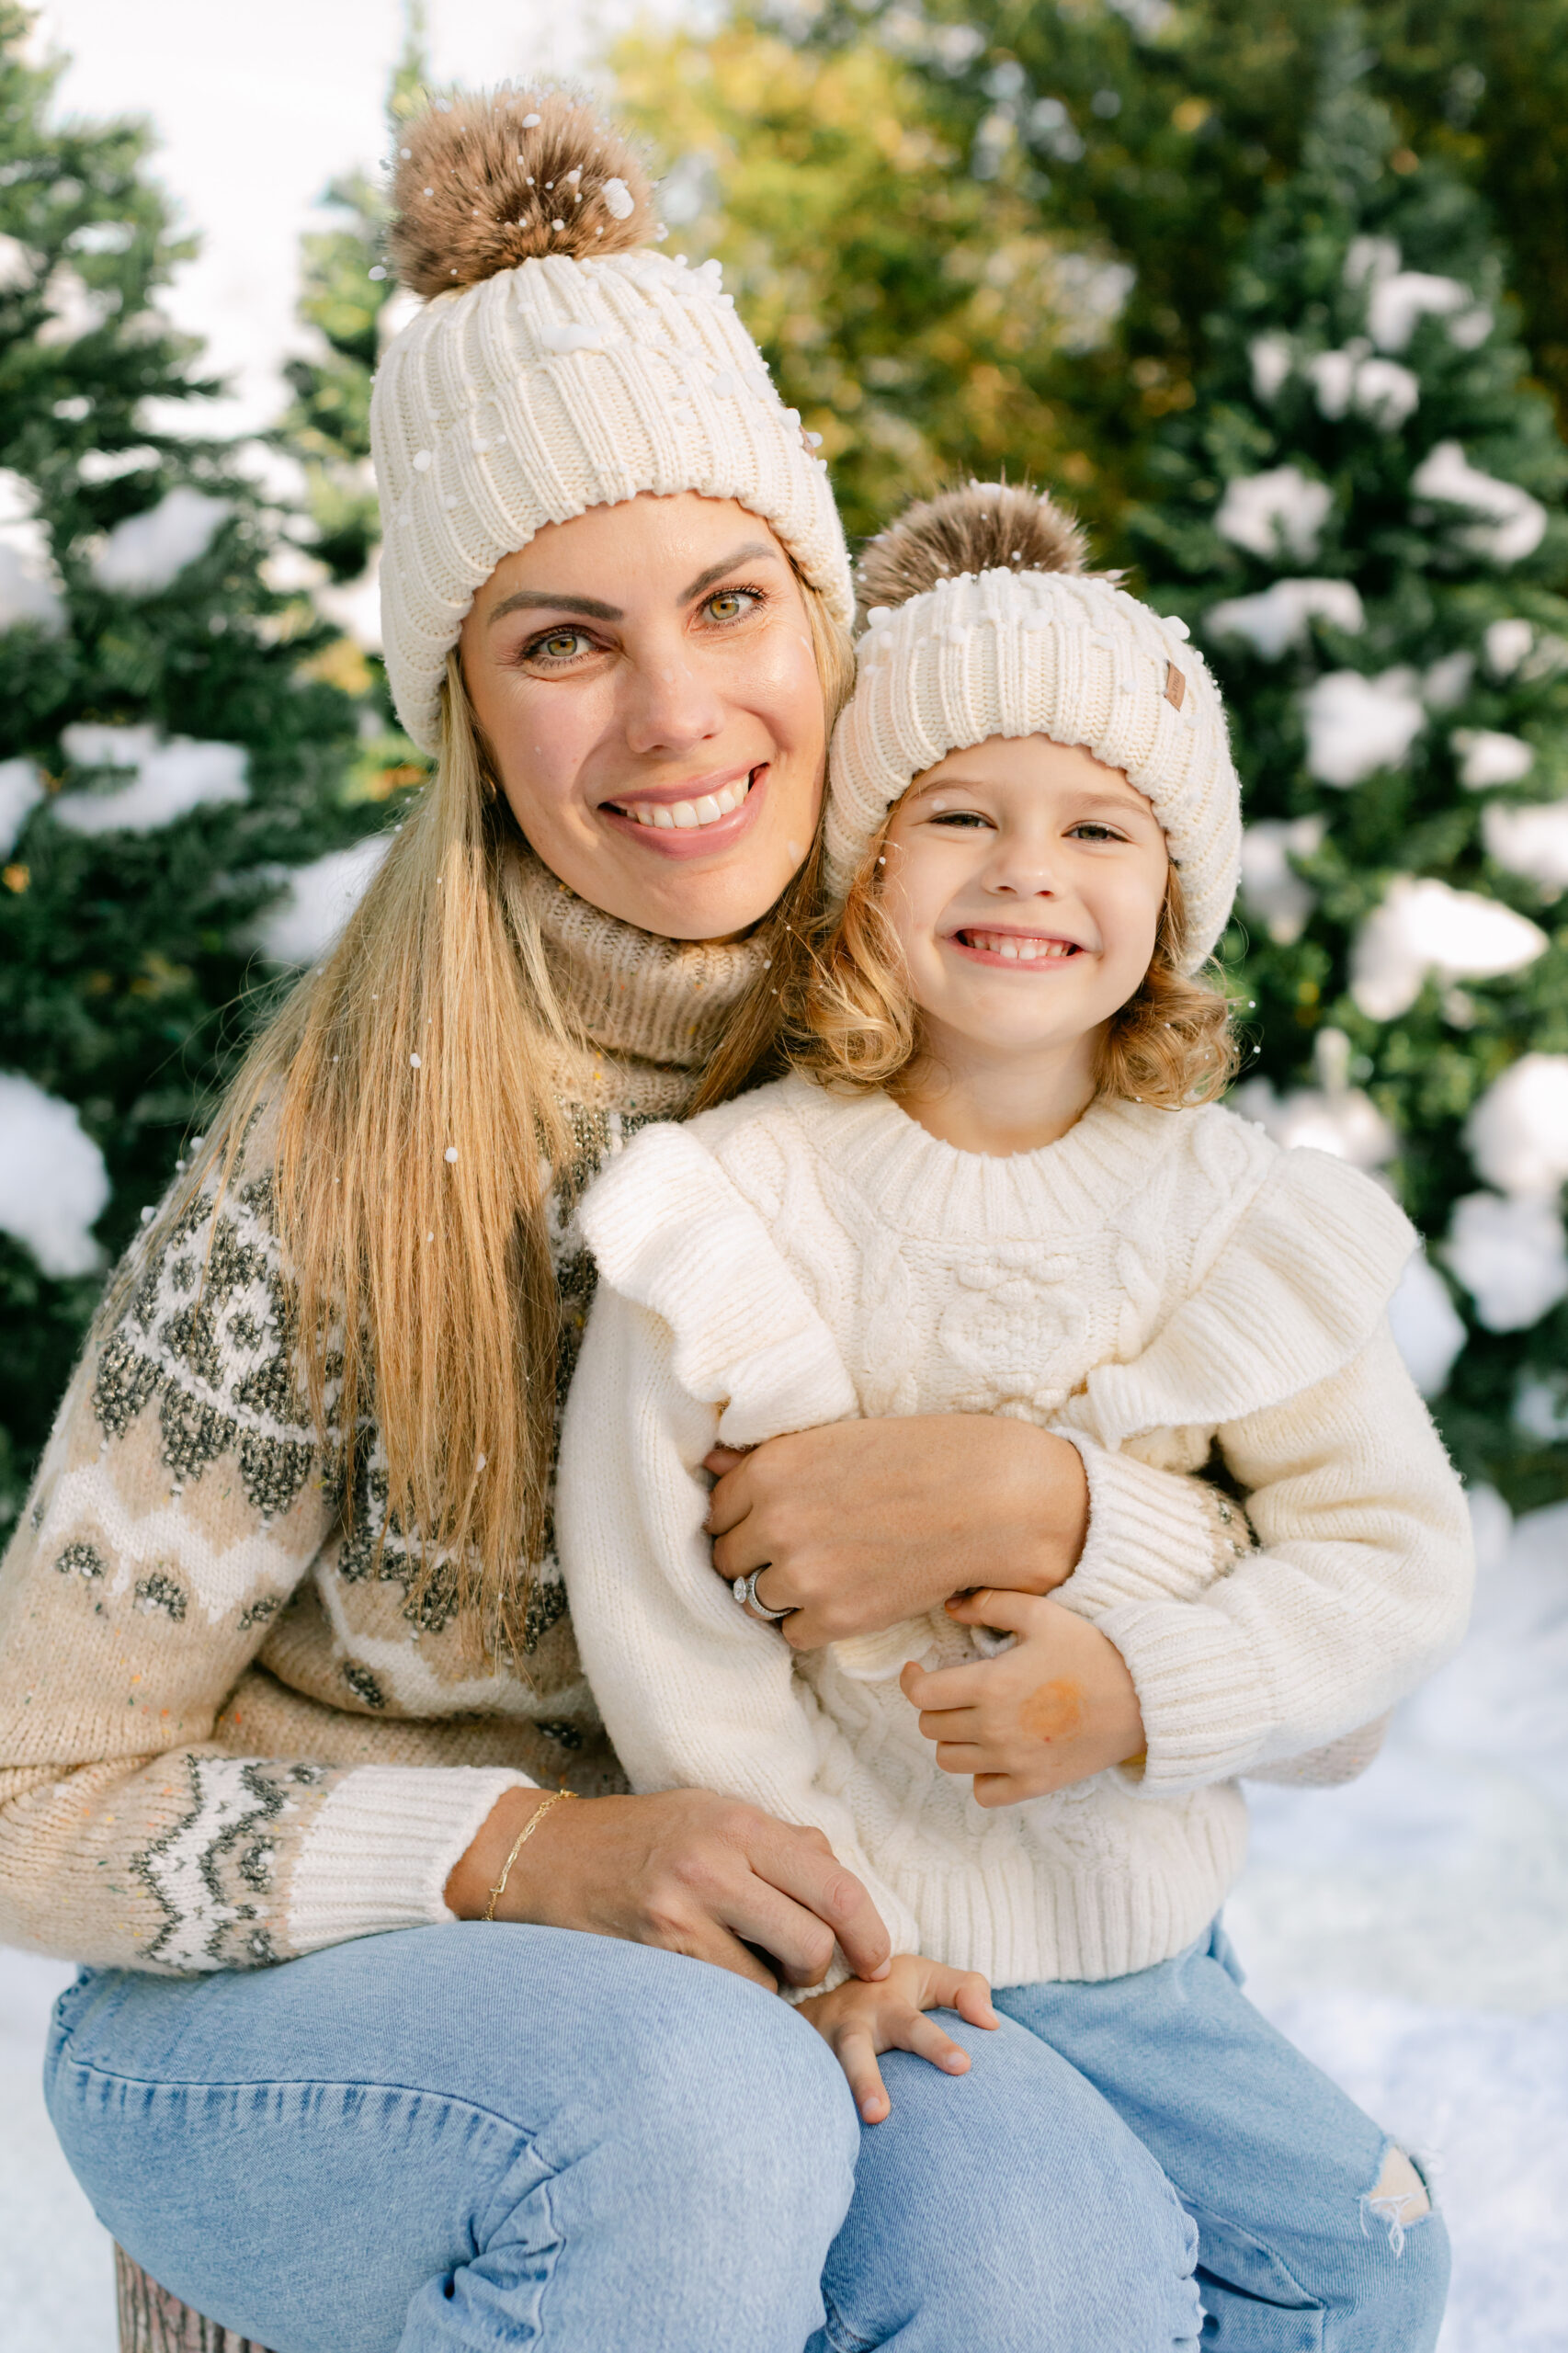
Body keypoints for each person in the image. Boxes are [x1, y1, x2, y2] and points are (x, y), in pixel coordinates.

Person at [3, 90, 1272, 2353]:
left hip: (780, 1966)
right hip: (303, 2017)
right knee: (688, 2112)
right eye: (562, 639)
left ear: (823, 613)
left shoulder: (954, 1053)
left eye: (729, 599)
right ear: (466, 711)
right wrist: (516, 1849)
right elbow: (26, 1778)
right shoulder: (336, 1160)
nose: (679, 713)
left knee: (1058, 2249)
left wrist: (1050, 1505)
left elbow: (1306, 1561)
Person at [558, 482, 1474, 2352]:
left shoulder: (1225, 1208)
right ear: (865, 870)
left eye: (1096, 826)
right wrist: (817, 1938)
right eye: (956, 816)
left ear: (1173, 886)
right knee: (1039, 2293)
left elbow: (1385, 1554)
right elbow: (662, 1608)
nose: (1025, 870)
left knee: (1367, 2257)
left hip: (1145, 1952)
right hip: (885, 1957)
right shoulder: (743, 1202)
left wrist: (1147, 1689)